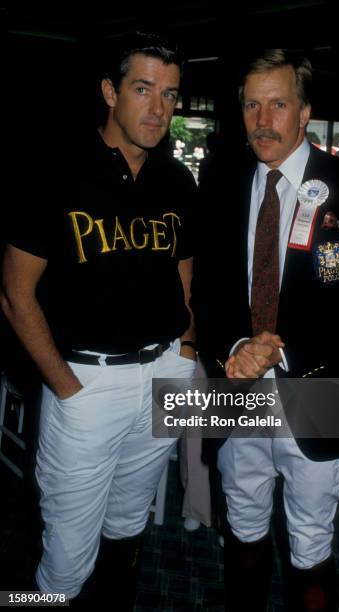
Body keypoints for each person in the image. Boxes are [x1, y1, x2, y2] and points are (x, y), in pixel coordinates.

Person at [193, 49, 339, 611]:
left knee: (312, 546)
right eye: (251, 106)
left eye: (278, 104)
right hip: (237, 386)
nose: (263, 120)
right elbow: (206, 290)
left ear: (305, 111)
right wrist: (236, 347)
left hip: (327, 388)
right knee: (243, 526)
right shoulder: (221, 181)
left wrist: (278, 353)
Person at [1, 32, 197, 610]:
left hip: (163, 373)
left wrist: (185, 352)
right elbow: (15, 294)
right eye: (143, 89)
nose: (158, 108)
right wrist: (66, 386)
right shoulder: (55, 173)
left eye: (170, 94)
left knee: (130, 522)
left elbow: (186, 276)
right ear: (111, 92)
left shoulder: (177, 181)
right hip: (87, 382)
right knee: (65, 556)